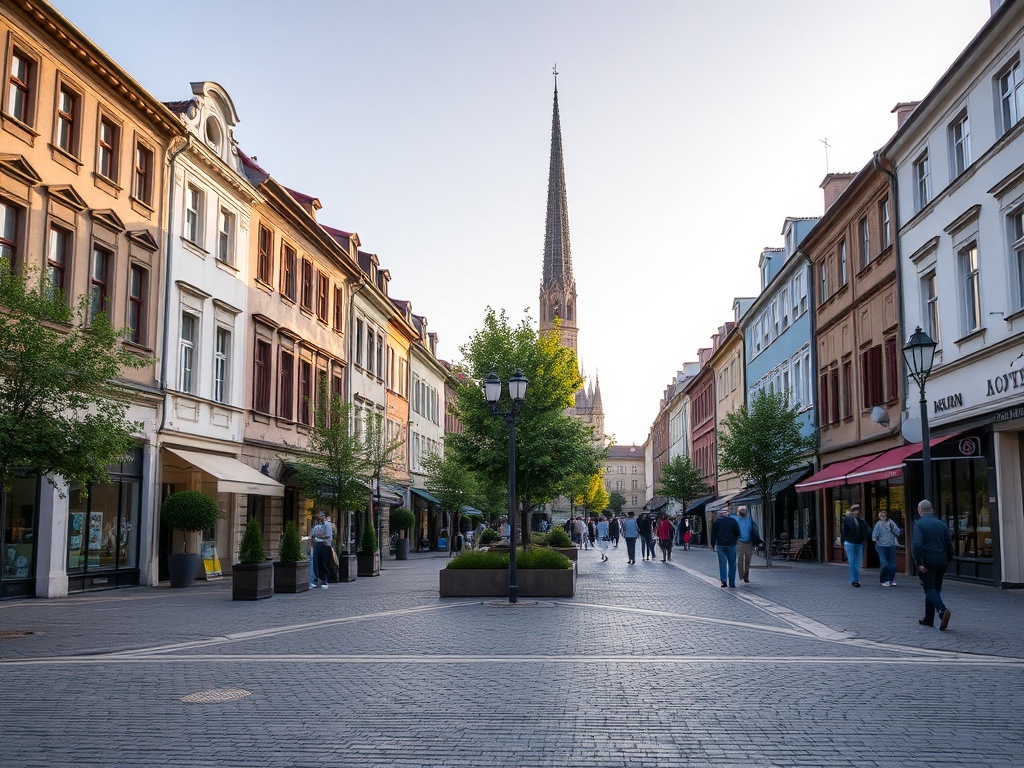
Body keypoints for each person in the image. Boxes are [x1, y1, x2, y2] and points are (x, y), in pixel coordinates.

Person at [912, 499, 954, 630]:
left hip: (928, 561)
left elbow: (917, 545)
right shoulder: (941, 524)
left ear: (920, 510)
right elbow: (949, 544)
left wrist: (919, 563)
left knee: (929, 589)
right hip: (941, 560)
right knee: (935, 589)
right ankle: (928, 619)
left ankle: (942, 611)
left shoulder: (919, 524)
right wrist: (948, 559)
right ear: (932, 510)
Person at [840, 504, 870, 587]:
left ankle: (855, 578)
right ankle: (854, 579)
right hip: (850, 543)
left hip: (859, 543)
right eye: (855, 510)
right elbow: (844, 531)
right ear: (852, 511)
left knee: (858, 562)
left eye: (858, 510)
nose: (857, 511)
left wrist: (863, 538)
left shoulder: (862, 519)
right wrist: (844, 541)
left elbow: (865, 530)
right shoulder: (848, 520)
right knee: (852, 561)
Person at [711, 509, 740, 587]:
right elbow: (738, 532)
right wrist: (734, 539)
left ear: (720, 514)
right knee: (732, 563)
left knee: (722, 563)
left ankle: (724, 581)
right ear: (727, 514)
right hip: (731, 544)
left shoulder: (717, 522)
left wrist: (713, 544)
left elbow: (713, 534)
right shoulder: (733, 521)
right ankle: (732, 582)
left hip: (720, 544)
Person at [872, 509, 901, 587]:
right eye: (881, 516)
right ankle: (884, 580)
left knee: (892, 563)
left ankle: (891, 579)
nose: (883, 517)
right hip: (881, 545)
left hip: (891, 544)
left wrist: (893, 530)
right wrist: (875, 537)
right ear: (879, 517)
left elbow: (897, 531)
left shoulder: (891, 522)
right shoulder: (878, 524)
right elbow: (874, 534)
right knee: (884, 562)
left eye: (884, 516)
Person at [733, 505, 760, 584]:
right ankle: (741, 574)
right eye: (741, 510)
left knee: (748, 561)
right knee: (740, 559)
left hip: (749, 542)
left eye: (744, 510)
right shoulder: (734, 519)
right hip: (739, 542)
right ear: (738, 511)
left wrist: (756, 539)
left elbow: (754, 529)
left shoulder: (749, 519)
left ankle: (746, 576)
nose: (743, 511)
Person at [310, 511, 333, 590]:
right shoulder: (317, 525)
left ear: (323, 516)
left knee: (324, 563)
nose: (319, 517)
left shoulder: (327, 524)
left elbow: (327, 536)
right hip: (317, 545)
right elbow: (313, 535)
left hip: (325, 545)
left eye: (320, 516)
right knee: (316, 563)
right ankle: (316, 580)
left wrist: (318, 536)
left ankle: (325, 581)